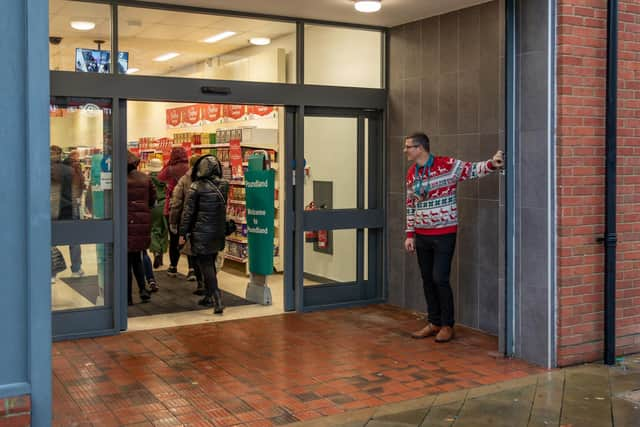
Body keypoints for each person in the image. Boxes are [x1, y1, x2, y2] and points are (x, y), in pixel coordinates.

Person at [404, 132, 504, 343]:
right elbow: (410, 205)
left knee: (440, 278)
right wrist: (410, 234)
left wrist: (492, 164)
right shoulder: (412, 172)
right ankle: (434, 322)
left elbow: (472, 170)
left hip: (444, 233)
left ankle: (447, 325)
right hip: (421, 235)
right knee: (427, 280)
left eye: (408, 147)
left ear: (420, 148)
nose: (405, 151)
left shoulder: (446, 165)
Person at [179, 155, 228, 314]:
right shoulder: (224, 185)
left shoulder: (196, 187)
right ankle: (208, 296)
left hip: (201, 232)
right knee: (211, 263)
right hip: (218, 231)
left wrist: (183, 232)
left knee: (205, 265)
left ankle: (217, 298)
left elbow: (188, 213)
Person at [170, 155, 203, 294]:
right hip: (207, 222)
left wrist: (173, 221)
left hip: (190, 221)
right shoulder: (212, 179)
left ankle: (198, 280)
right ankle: (209, 286)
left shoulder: (184, 180)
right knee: (206, 256)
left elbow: (176, 203)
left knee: (192, 250)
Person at [127, 151, 156, 305]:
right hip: (141, 222)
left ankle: (127, 296)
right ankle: (143, 289)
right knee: (137, 258)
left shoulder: (119, 179)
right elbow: (152, 199)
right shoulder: (145, 178)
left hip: (125, 223)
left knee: (125, 261)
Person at [158, 147, 189, 277]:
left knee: (174, 239)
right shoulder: (189, 167)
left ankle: (173, 266)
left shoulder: (171, 169)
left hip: (172, 207)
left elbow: (160, 177)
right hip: (188, 207)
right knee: (188, 238)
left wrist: (168, 163)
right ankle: (192, 269)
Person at [64, 150, 85, 277]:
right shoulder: (76, 170)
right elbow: (79, 187)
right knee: (75, 239)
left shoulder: (61, 168)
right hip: (73, 206)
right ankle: (76, 269)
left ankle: (51, 272)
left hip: (60, 205)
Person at [147, 158, 168, 270]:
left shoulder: (148, 178)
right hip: (165, 204)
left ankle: (156, 253)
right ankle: (162, 255)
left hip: (154, 205)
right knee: (164, 230)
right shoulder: (165, 178)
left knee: (154, 229)